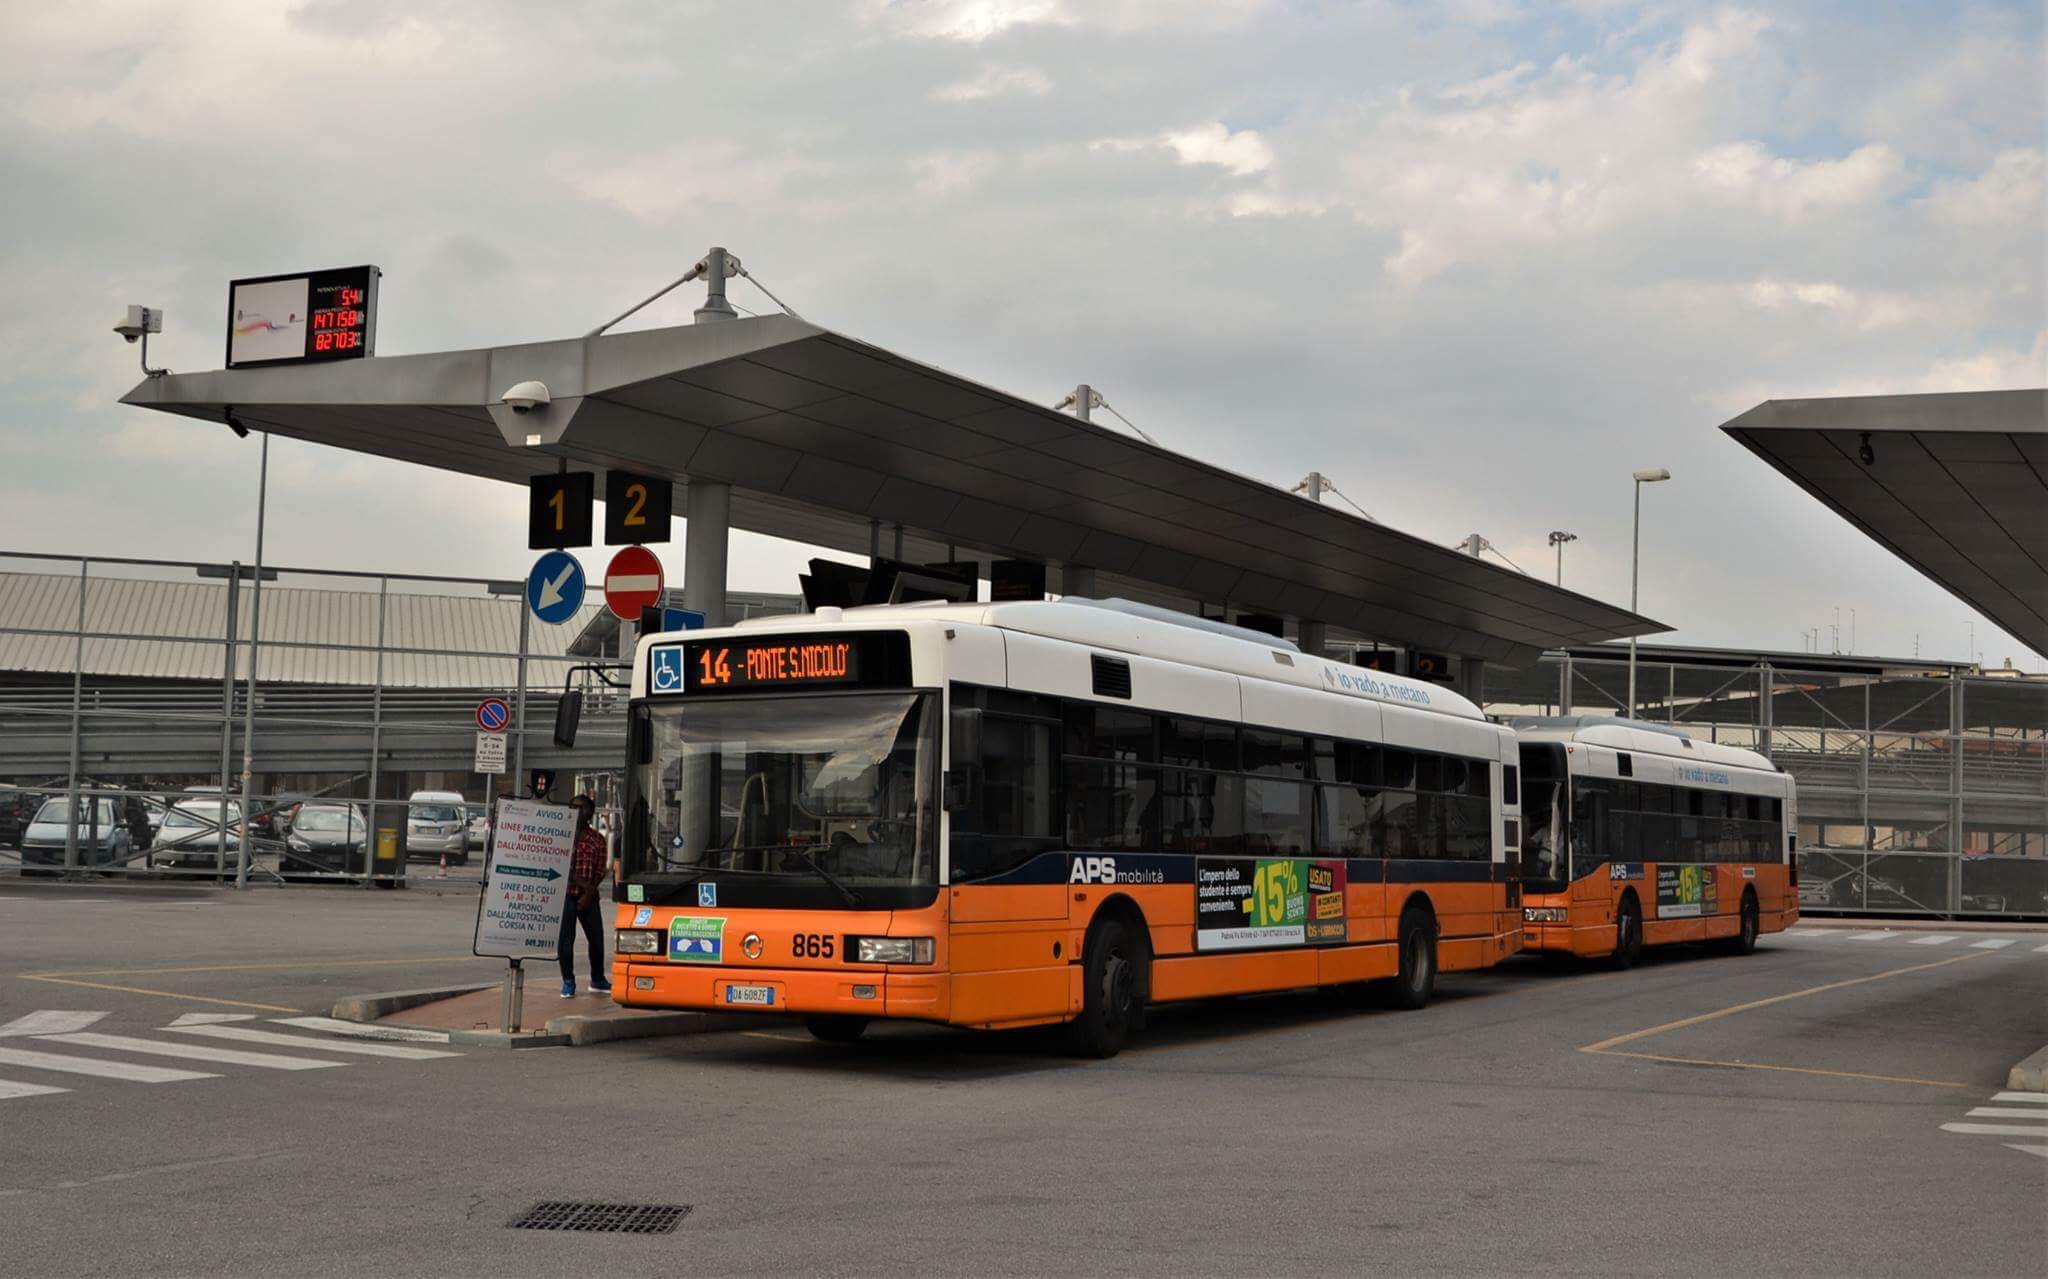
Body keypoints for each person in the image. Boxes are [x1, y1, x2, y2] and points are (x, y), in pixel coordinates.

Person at [559, 794, 611, 999]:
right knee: (565, 941)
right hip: (566, 896)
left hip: (589, 898)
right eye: (574, 807)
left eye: (582, 808)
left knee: (597, 939)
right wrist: (585, 889)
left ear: (590, 813)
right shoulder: (561, 836)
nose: (577, 811)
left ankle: (597, 979)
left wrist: (589, 893)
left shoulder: (597, 839)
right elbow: (563, 868)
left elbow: (600, 870)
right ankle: (568, 981)